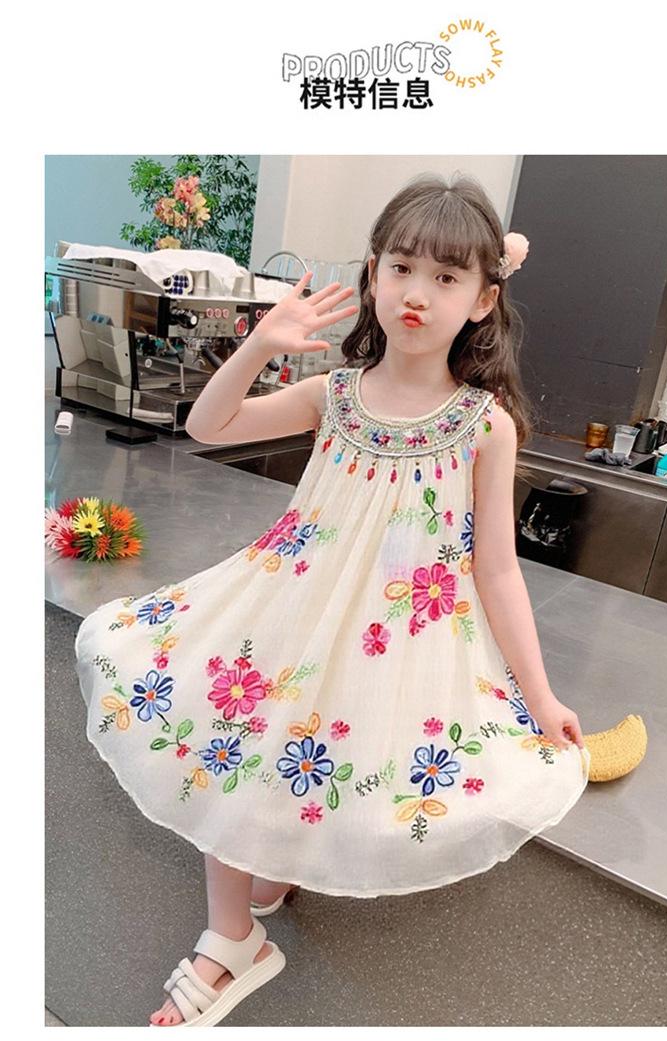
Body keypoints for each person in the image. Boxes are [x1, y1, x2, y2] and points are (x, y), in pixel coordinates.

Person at [74, 172, 590, 1027]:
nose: (417, 293)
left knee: (315, 753)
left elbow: (498, 570)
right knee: (237, 736)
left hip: (400, 638)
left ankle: (267, 876)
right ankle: (232, 936)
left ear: (483, 300)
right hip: (290, 609)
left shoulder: (484, 426)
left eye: (446, 277)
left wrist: (539, 696)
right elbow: (207, 426)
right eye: (402, 268)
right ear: (373, 274)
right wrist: (258, 343)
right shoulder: (336, 394)